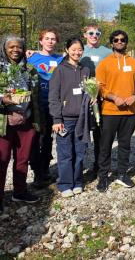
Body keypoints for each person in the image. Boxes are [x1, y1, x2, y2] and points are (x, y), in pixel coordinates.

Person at [95, 30, 135, 192]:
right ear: (111, 43)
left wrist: (134, 96)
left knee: (125, 145)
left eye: (122, 40)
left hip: (129, 112)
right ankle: (103, 177)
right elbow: (100, 86)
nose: (119, 42)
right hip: (110, 111)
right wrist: (113, 97)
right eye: (116, 40)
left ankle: (122, 174)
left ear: (126, 42)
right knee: (105, 145)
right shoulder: (104, 63)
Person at [0, 35, 41, 213]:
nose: (15, 50)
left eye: (19, 47)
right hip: (4, 122)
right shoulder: (0, 68)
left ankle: (20, 190)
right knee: (2, 160)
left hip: (26, 121)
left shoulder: (29, 69)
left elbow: (36, 98)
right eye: (11, 47)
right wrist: (3, 100)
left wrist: (37, 121)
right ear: (4, 48)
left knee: (22, 159)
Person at [49, 37, 90, 197]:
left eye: (79, 49)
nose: (76, 52)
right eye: (73, 49)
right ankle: (65, 184)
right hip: (65, 120)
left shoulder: (85, 70)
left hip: (82, 119)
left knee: (80, 152)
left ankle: (78, 181)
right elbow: (53, 97)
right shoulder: (59, 70)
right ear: (67, 50)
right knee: (65, 153)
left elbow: (89, 92)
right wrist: (56, 119)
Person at [27, 29, 63, 187]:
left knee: (48, 138)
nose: (50, 41)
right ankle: (37, 172)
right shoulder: (31, 58)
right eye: (47, 39)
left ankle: (46, 169)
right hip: (37, 105)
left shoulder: (61, 59)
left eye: (53, 39)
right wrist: (32, 51)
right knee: (37, 139)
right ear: (40, 41)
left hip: (53, 105)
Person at [80, 24, 111, 177]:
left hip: (100, 97)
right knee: (82, 129)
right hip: (81, 96)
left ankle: (99, 165)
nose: (94, 35)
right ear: (85, 34)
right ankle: (78, 166)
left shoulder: (107, 52)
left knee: (100, 132)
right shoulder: (79, 50)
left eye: (97, 33)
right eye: (91, 33)